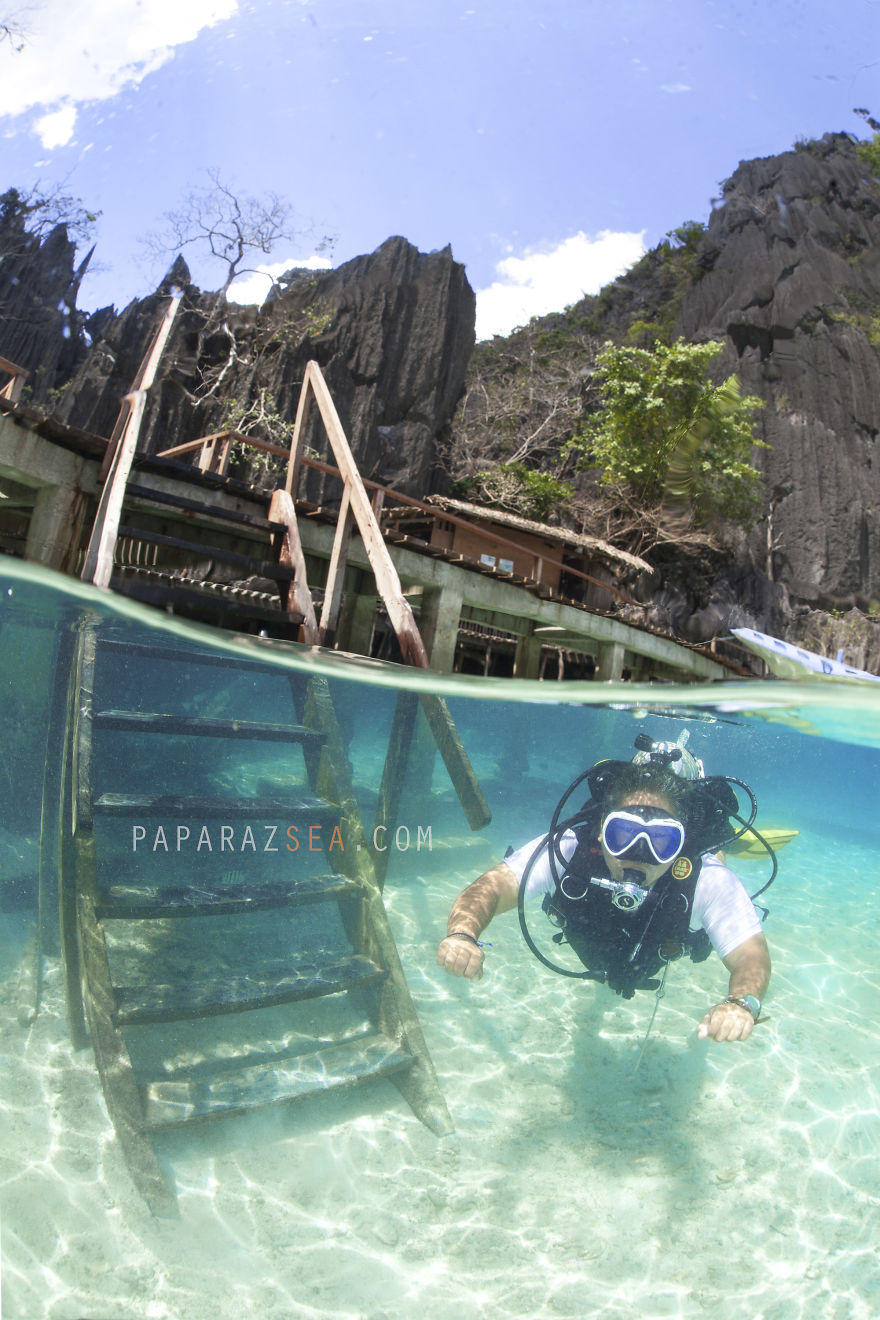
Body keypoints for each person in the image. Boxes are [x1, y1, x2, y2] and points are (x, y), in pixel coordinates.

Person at [437, 753, 771, 1043]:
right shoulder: (569, 848)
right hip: (604, 949)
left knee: (714, 864)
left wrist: (742, 1004)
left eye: (662, 840)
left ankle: (717, 841)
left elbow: (750, 956)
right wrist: (462, 934)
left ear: (681, 844)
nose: (640, 854)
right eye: (623, 834)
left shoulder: (705, 878)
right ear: (600, 831)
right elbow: (491, 886)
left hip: (656, 943)